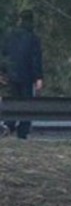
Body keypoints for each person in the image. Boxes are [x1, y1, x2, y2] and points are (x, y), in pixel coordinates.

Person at [1, 9, 43, 139]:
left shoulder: (10, 36)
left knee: (14, 99)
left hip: (12, 74)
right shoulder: (33, 38)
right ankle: (23, 131)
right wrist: (38, 77)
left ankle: (9, 124)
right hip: (27, 75)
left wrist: (2, 72)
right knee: (26, 103)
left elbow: (4, 55)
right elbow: (36, 59)